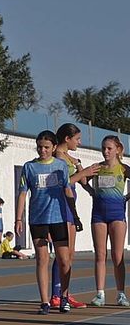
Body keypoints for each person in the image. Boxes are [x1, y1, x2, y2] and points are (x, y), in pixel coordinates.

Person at [17, 130, 70, 315]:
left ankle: (64, 297)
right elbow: (22, 193)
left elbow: (67, 190)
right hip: (38, 219)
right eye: (39, 147)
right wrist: (18, 218)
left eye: (46, 147)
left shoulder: (61, 166)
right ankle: (45, 301)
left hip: (58, 218)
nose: (42, 151)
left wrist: (75, 215)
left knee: (64, 260)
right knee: (42, 259)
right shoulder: (29, 167)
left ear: (54, 147)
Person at [73, 135, 128, 306]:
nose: (105, 151)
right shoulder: (97, 167)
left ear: (117, 150)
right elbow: (82, 180)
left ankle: (121, 293)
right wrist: (90, 190)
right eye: (103, 148)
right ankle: (100, 293)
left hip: (117, 215)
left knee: (117, 256)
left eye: (109, 148)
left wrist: (126, 197)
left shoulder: (123, 169)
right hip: (98, 215)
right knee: (100, 255)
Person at [52, 123, 87, 310]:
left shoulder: (67, 157)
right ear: (67, 139)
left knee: (70, 254)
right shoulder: (59, 157)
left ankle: (65, 293)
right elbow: (63, 183)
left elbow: (83, 180)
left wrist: (78, 163)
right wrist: (83, 172)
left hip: (71, 206)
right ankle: (57, 294)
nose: (79, 143)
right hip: (62, 205)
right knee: (63, 254)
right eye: (77, 139)